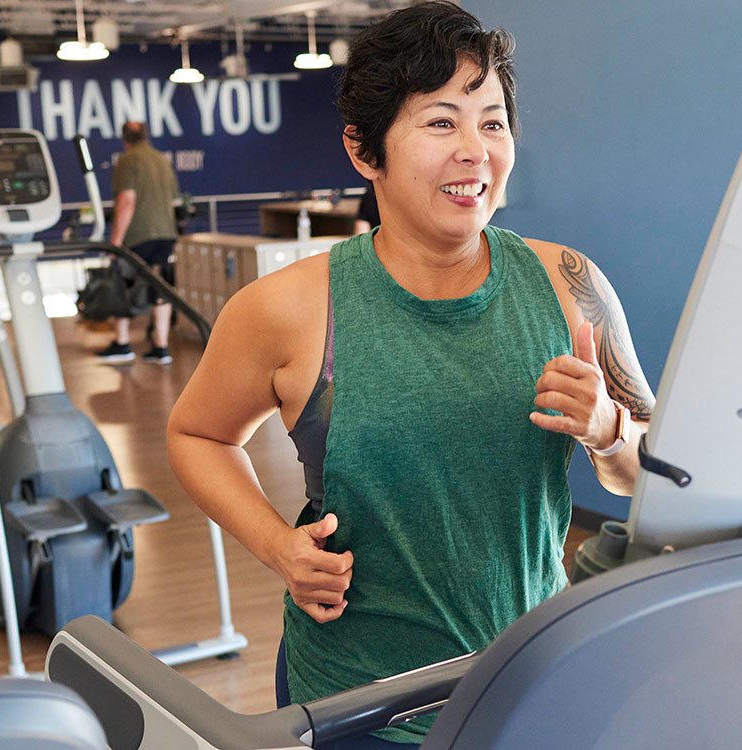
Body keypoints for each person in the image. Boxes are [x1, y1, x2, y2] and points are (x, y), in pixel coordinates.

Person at [167, 3, 655, 746]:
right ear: (364, 150)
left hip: (523, 682)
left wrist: (609, 430)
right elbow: (198, 434)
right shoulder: (289, 309)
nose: (475, 151)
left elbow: (649, 473)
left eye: (492, 123)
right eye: (441, 123)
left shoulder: (567, 282)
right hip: (356, 703)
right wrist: (278, 548)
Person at [95, 121, 181, 365]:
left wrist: (115, 242)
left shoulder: (127, 160)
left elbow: (127, 201)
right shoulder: (161, 160)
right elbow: (174, 198)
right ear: (147, 136)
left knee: (122, 283)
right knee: (160, 287)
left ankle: (122, 343)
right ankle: (161, 346)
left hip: (138, 234)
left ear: (124, 139)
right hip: (166, 232)